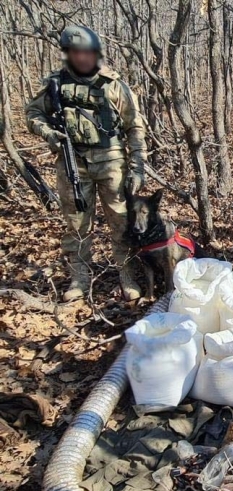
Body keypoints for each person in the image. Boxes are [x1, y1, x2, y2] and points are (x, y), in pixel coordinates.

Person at [25, 25, 147, 302]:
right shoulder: (56, 84)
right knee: (76, 224)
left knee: (122, 222)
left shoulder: (114, 85)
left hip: (113, 163)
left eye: (89, 53)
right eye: (77, 52)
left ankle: (127, 275)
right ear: (68, 53)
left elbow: (135, 128)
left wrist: (138, 167)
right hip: (73, 163)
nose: (84, 58)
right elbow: (33, 114)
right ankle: (79, 278)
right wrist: (49, 133)